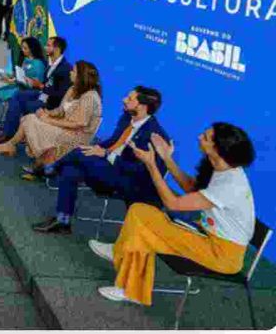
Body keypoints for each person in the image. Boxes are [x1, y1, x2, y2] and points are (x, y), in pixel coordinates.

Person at [92, 123, 256, 306]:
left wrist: (151, 165)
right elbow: (191, 188)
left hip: (221, 255)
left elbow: (173, 203)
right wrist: (166, 157)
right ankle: (121, 254)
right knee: (140, 211)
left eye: (205, 138)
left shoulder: (230, 185)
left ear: (219, 149)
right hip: (207, 237)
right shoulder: (222, 168)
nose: (199, 137)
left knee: (143, 224)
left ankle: (129, 281)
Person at [32, 86, 169, 235]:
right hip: (107, 168)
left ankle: (49, 169)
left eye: (130, 99)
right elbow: (113, 141)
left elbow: (142, 172)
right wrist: (96, 149)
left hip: (128, 181)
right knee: (71, 170)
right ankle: (62, 221)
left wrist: (106, 154)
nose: (124, 100)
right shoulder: (127, 118)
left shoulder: (155, 136)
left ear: (142, 106)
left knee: (78, 152)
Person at [0, 60, 103, 173]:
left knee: (29, 121)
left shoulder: (90, 97)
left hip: (75, 136)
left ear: (81, 77)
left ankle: (34, 156)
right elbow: (60, 111)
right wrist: (46, 113)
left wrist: (49, 120)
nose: (70, 72)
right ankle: (15, 147)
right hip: (64, 128)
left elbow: (78, 124)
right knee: (30, 117)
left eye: (73, 71)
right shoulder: (72, 89)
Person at [0, 35, 72, 143]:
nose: (45, 47)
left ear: (57, 49)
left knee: (25, 103)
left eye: (48, 46)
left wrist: (40, 86)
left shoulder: (64, 68)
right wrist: (36, 84)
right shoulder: (51, 64)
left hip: (51, 101)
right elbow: (46, 84)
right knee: (18, 95)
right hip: (42, 94)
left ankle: (11, 135)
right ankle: (9, 133)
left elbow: (61, 93)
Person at [0, 37, 46, 129]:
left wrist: (20, 80)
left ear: (32, 49)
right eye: (22, 48)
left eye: (25, 48)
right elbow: (20, 74)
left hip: (24, 88)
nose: (22, 50)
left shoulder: (38, 64)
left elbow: (37, 83)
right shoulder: (25, 60)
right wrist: (9, 76)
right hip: (18, 83)